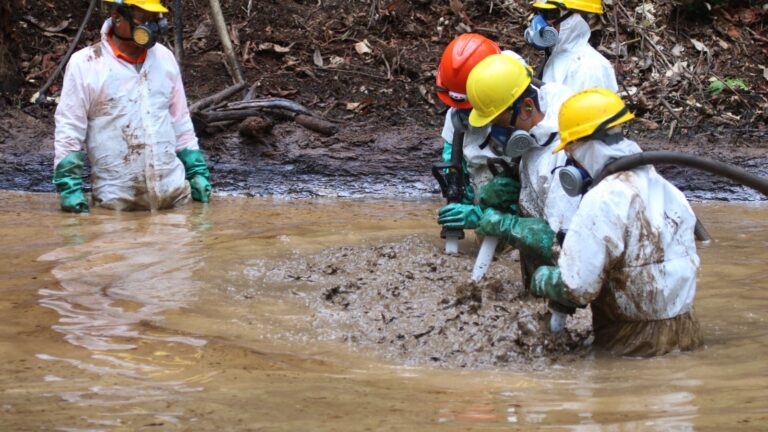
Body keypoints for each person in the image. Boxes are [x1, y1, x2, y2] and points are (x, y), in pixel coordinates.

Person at [528, 88, 703, 356]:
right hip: (687, 333)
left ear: (580, 147)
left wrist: (545, 278)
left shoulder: (602, 199)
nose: (571, 160)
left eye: (571, 152)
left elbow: (578, 287)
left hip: (632, 343)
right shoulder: (666, 188)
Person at [53, 0, 211, 213]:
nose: (153, 26)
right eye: (144, 19)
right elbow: (69, 130)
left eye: (156, 19)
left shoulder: (164, 58)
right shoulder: (86, 64)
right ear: (118, 18)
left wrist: (197, 171)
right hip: (116, 203)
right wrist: (69, 188)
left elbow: (180, 121)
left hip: (174, 198)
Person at [434, 35, 528, 230]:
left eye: (469, 105)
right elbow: (453, 152)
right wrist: (458, 186)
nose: (463, 112)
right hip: (484, 196)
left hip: (520, 209)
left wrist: (492, 212)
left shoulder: (521, 104)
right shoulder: (457, 110)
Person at [524, 0, 618, 92]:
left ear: (572, 19)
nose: (540, 21)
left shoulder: (591, 68)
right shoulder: (556, 55)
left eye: (550, 13)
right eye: (540, 12)